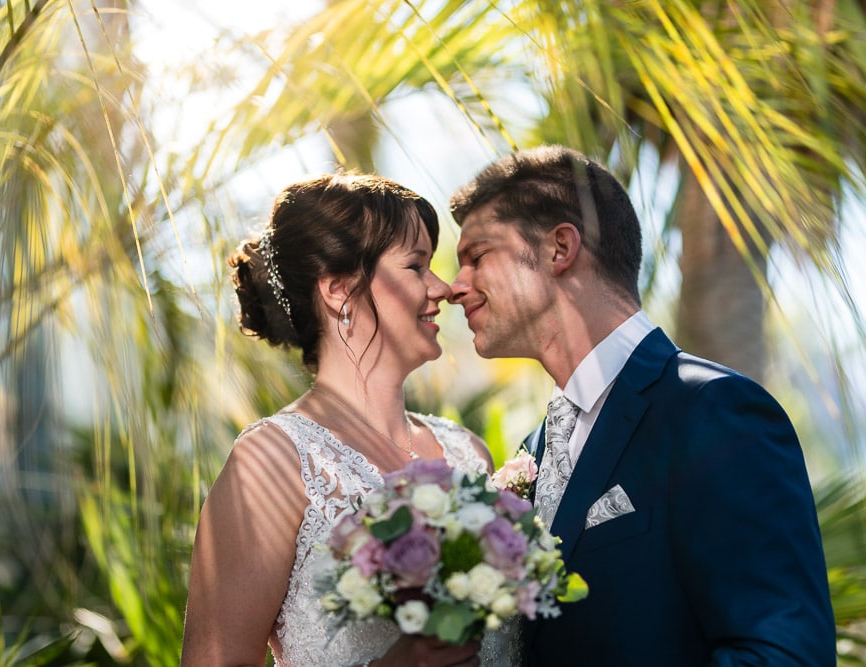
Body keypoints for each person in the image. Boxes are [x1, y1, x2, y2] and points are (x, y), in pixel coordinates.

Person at [447, 146, 835, 665]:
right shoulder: (534, 449)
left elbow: (784, 655)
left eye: (476, 257)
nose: (455, 287)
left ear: (560, 248)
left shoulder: (713, 410)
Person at [180, 173, 497, 667]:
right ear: (338, 290)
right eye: (416, 266)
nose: (444, 288)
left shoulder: (470, 454)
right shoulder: (272, 462)